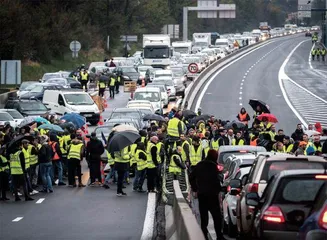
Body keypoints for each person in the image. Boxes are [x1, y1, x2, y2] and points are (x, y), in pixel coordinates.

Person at [190, 150, 224, 240]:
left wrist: (195, 188)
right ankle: (219, 236)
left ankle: (204, 235)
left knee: (204, 217)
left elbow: (191, 177)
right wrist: (220, 189)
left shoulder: (200, 165)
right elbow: (217, 181)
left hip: (202, 195)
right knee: (217, 217)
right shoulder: (214, 167)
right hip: (212, 195)